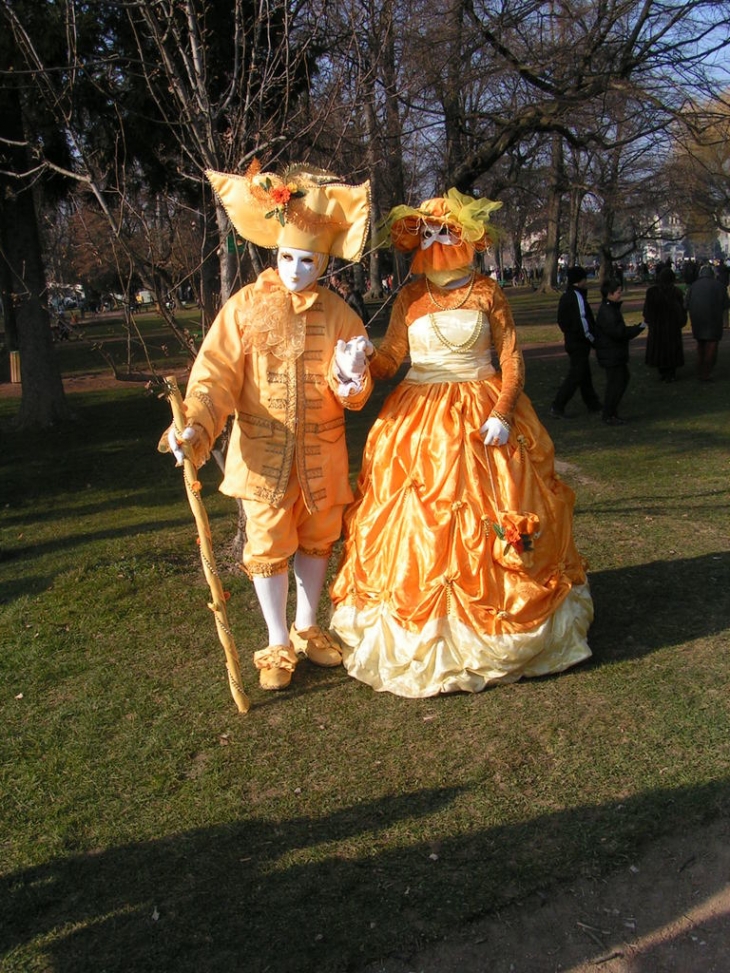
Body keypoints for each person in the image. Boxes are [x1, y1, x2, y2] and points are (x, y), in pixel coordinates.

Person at [328, 188, 593, 698]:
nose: (435, 240)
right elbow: (391, 359)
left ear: (466, 235)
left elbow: (512, 358)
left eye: (444, 231)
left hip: (482, 416)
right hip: (419, 420)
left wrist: (501, 411)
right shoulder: (409, 296)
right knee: (415, 517)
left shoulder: (490, 292)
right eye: (425, 233)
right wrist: (361, 362)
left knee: (496, 507)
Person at [161, 162, 373, 690]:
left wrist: (350, 376)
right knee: (269, 540)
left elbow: (355, 392)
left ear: (322, 263)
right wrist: (196, 427)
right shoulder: (244, 308)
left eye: (307, 260)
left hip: (323, 455)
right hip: (262, 453)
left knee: (318, 537)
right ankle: (277, 639)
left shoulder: (340, 313)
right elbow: (215, 376)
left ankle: (306, 625)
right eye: (286, 258)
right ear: (274, 253)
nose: (296, 270)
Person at [550, 266, 602, 417]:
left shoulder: (567, 295)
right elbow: (583, 320)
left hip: (573, 340)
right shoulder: (576, 297)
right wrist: (593, 340)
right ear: (580, 281)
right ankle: (558, 405)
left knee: (584, 374)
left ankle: (593, 403)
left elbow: (562, 320)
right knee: (576, 375)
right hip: (579, 341)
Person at [593, 277, 645, 426]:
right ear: (610, 294)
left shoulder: (610, 309)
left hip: (613, 353)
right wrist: (638, 328)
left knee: (620, 380)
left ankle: (611, 412)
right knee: (616, 383)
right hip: (611, 353)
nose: (620, 295)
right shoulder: (608, 311)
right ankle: (609, 413)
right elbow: (619, 332)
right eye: (618, 292)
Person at [684, 264, 728, 381]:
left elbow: (686, 304)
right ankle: (706, 371)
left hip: (698, 320)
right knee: (712, 344)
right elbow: (726, 304)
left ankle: (700, 369)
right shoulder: (720, 286)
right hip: (714, 320)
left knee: (701, 344)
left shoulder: (693, 286)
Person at [642, 266, 687, 382]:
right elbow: (680, 310)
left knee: (659, 349)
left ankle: (663, 371)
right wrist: (681, 321)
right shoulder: (675, 292)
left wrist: (649, 320)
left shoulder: (652, 292)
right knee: (671, 350)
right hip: (671, 327)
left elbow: (647, 311)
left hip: (657, 327)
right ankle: (670, 373)